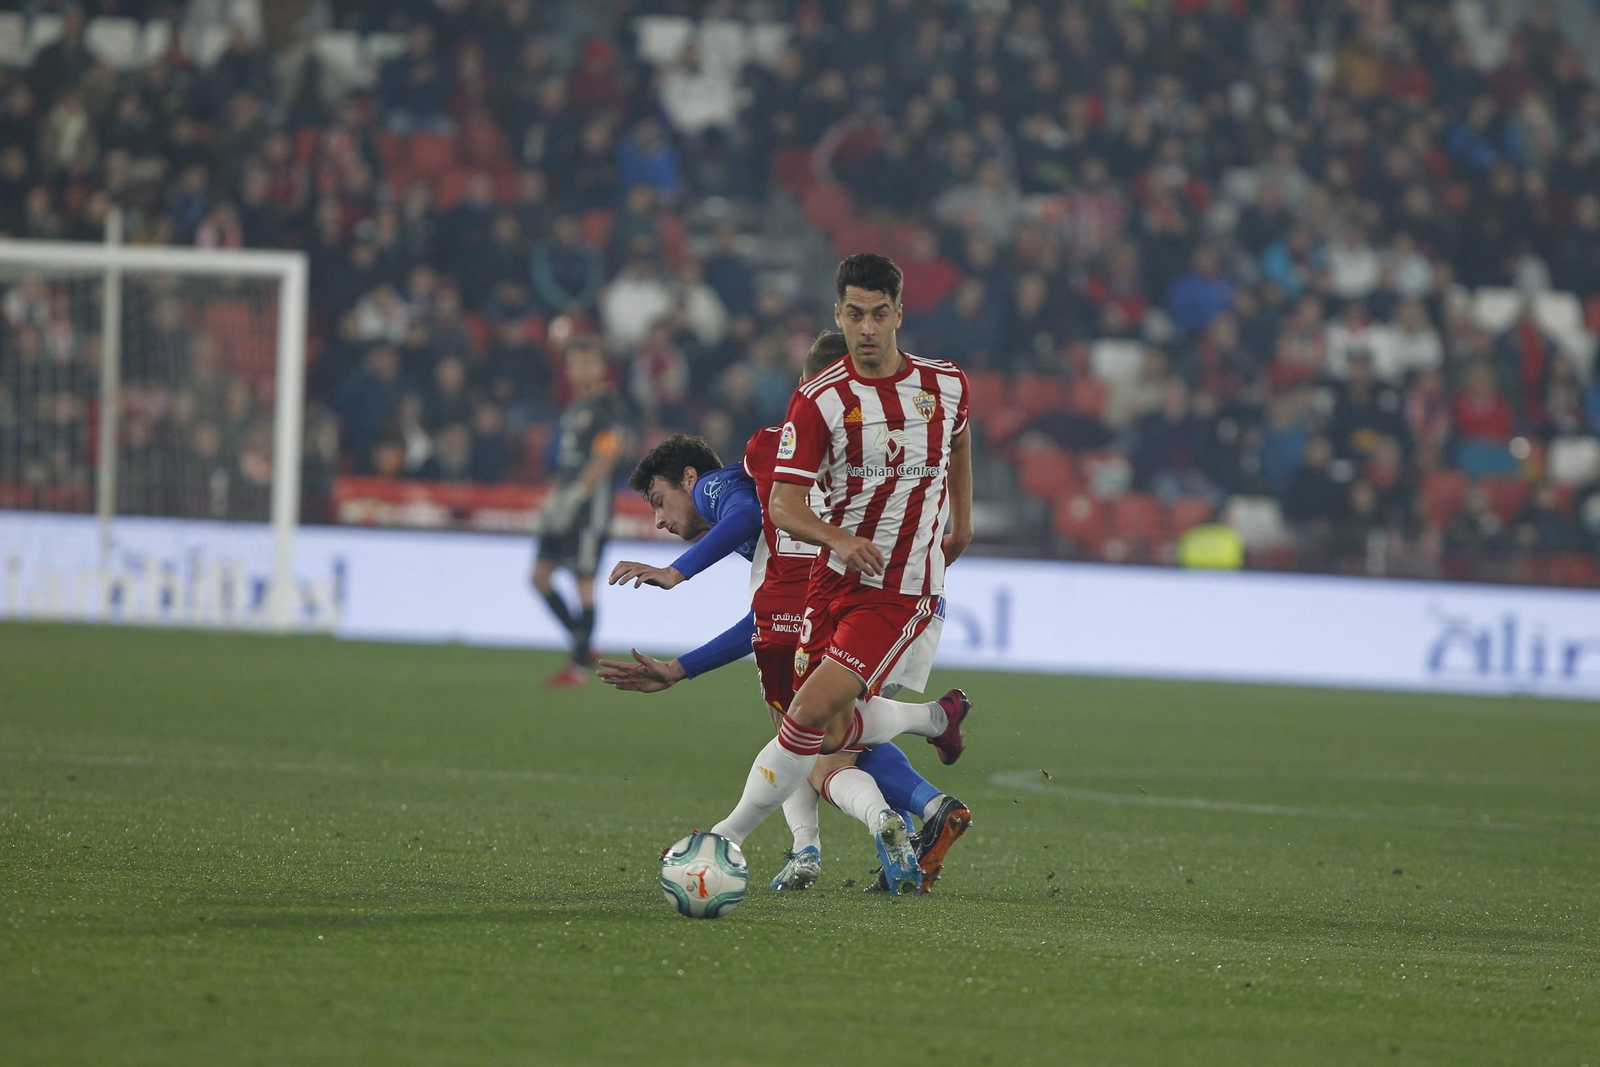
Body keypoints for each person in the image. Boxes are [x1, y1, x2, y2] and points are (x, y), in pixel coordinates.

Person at [600, 333, 972, 893]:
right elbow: (766, 614)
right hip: (897, 594)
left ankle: (766, 839)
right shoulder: (867, 454)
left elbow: (747, 517)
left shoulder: (732, 477)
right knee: (829, 735)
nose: (658, 519)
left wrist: (679, 572)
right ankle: (917, 798)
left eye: (657, 499)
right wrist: (681, 668)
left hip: (866, 599)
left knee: (814, 736)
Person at [705, 253, 975, 894]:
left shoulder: (946, 385)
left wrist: (961, 523)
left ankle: (724, 840)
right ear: (838, 316)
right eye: (854, 314)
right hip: (832, 583)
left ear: (898, 316)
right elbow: (783, 506)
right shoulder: (819, 401)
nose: (867, 328)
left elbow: (960, 438)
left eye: (880, 314)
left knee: (808, 715)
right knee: (822, 730)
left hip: (900, 590)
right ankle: (938, 720)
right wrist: (838, 539)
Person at [532, 338, 627, 687]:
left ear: (600, 367)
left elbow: (610, 449)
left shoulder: (607, 405)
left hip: (590, 509)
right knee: (539, 576)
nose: (581, 369)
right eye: (576, 362)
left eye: (588, 361)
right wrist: (556, 495)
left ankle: (578, 669)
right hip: (566, 500)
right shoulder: (573, 408)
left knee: (583, 582)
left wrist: (579, 491)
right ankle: (583, 644)